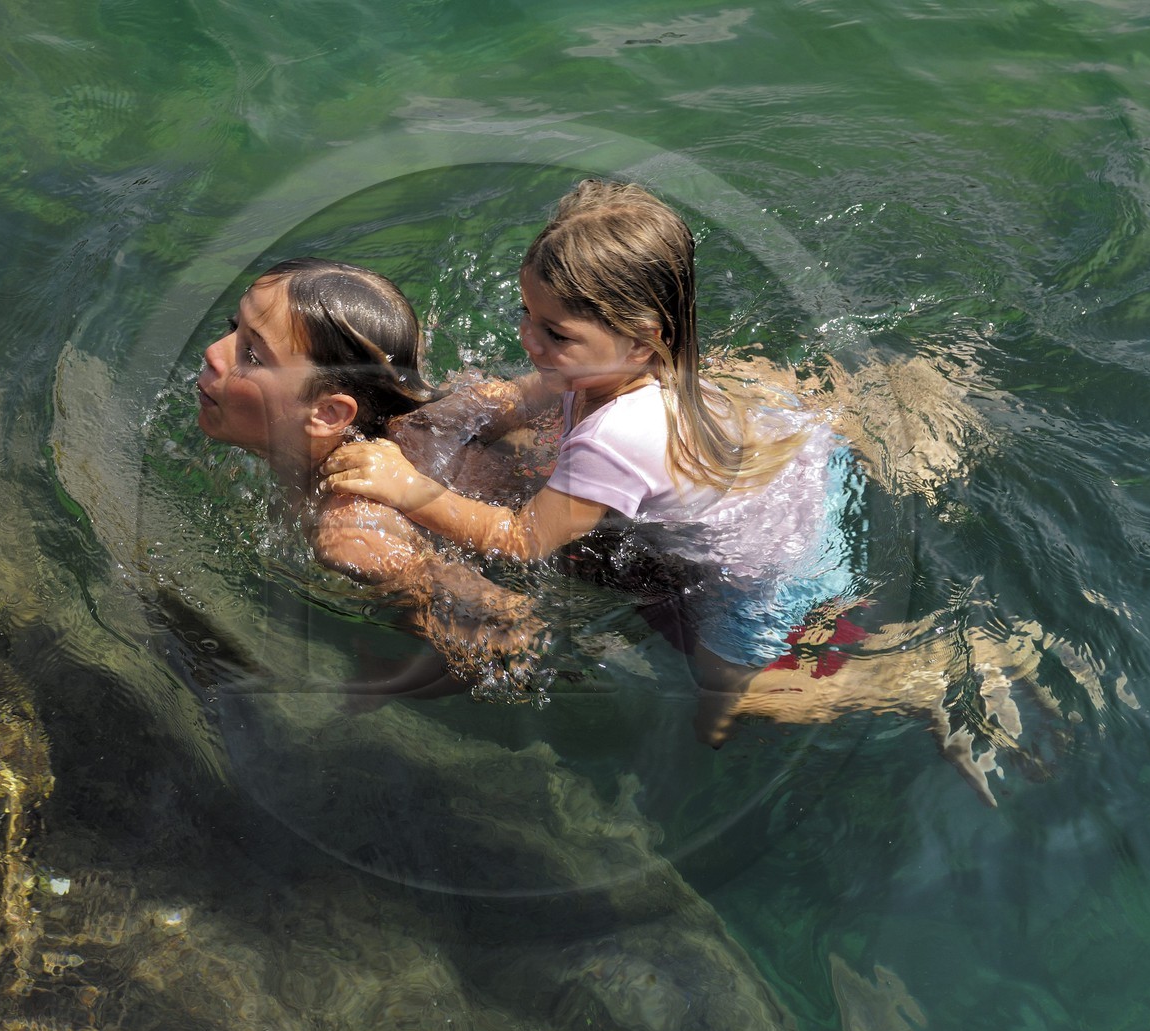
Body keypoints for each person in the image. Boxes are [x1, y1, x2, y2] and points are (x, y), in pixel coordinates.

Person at [320, 180, 873, 745]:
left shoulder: (618, 436)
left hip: (769, 566)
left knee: (723, 693)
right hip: (796, 464)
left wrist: (407, 487)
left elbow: (522, 539)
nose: (528, 339)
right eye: (527, 313)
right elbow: (517, 398)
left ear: (640, 341)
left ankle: (904, 683)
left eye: (555, 333)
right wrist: (429, 421)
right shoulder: (619, 370)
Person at [195, 256, 547, 700]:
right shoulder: (436, 415)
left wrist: (395, 684)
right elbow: (550, 388)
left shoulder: (352, 532)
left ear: (328, 414)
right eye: (234, 326)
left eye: (252, 355)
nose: (214, 352)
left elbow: (513, 634)